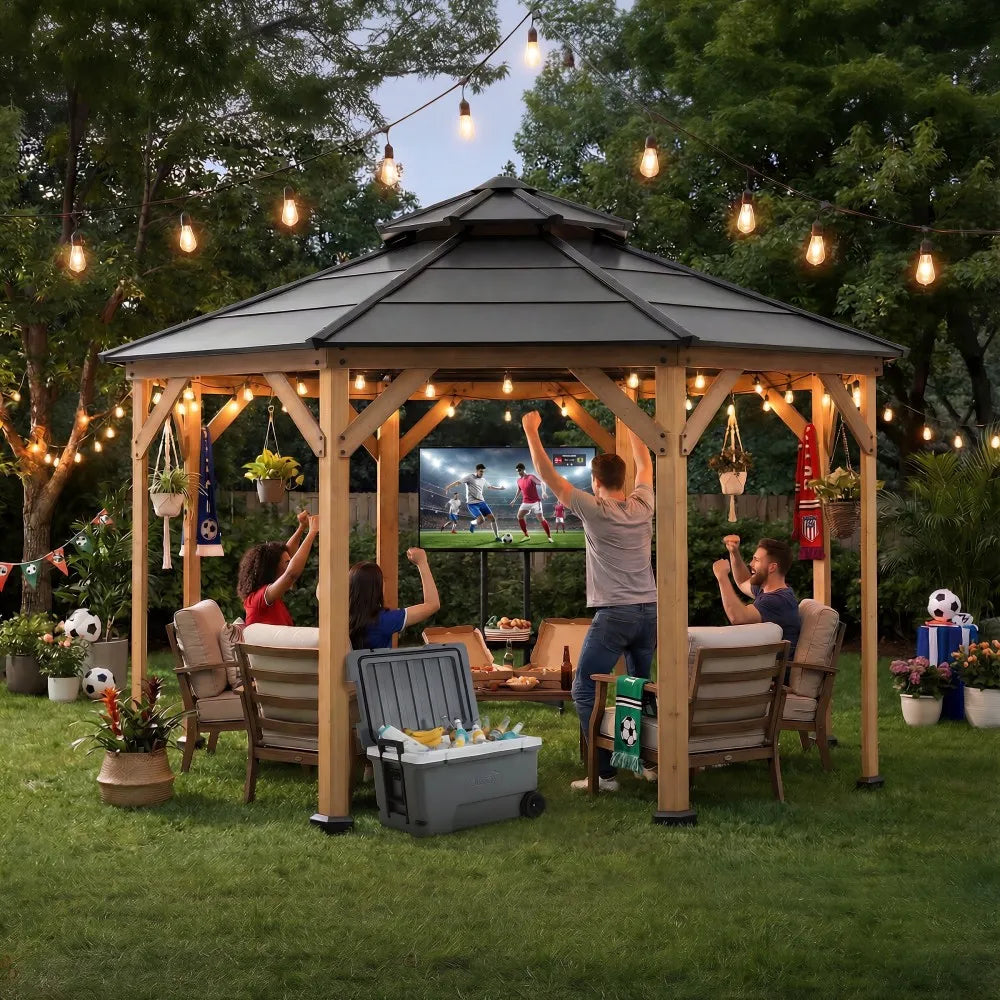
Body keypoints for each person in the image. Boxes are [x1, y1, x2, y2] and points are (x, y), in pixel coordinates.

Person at [521, 411, 656, 792]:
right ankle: (648, 762)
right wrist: (631, 423)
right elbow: (645, 463)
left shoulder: (593, 508)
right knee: (641, 685)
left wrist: (531, 431)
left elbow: (546, 474)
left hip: (615, 615)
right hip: (649, 611)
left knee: (584, 688)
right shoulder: (643, 505)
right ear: (623, 480)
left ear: (596, 482)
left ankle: (605, 774)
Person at [713, 535, 800, 655]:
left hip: (772, 667)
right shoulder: (769, 590)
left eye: (756, 560)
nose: (751, 563)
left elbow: (738, 617)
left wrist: (722, 576)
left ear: (772, 567)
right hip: (761, 663)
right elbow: (743, 581)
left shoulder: (777, 601)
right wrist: (734, 552)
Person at [237, 510, 319, 626]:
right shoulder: (256, 600)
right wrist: (312, 532)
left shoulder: (267, 596)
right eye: (287, 563)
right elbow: (290, 574)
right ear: (271, 569)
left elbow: (287, 553)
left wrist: (302, 527)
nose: (290, 565)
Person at [349, 547, 441, 649]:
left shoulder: (344, 617)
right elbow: (432, 604)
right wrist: (422, 562)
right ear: (376, 588)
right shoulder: (384, 621)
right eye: (382, 580)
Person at [443, 463, 505, 541]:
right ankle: (472, 523)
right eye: (481, 471)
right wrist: (449, 486)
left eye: (483, 472)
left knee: (493, 519)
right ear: (477, 471)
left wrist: (500, 488)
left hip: (482, 502)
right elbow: (458, 482)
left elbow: (490, 487)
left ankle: (497, 537)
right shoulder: (470, 477)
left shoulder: (483, 480)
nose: (482, 473)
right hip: (472, 504)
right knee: (481, 520)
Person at [510, 461, 553, 542]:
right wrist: (514, 500)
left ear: (523, 469)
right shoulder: (518, 480)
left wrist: (544, 492)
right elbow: (519, 490)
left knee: (540, 518)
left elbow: (542, 483)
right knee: (519, 516)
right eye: (517, 471)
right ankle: (526, 536)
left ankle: (549, 537)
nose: (518, 472)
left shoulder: (531, 477)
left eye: (519, 470)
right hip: (525, 502)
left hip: (535, 502)